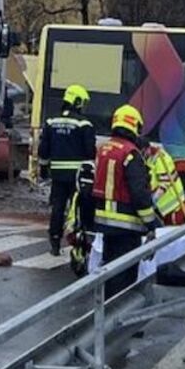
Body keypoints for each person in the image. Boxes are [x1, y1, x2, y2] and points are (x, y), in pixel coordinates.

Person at [91, 104, 159, 298]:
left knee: (110, 270)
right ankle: (119, 322)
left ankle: (106, 316)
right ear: (134, 126)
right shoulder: (131, 153)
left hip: (104, 223)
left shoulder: (104, 148)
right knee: (125, 276)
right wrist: (151, 224)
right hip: (127, 225)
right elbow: (139, 194)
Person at [36, 84, 97, 256]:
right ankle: (79, 242)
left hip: (57, 175)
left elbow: (43, 150)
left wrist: (43, 168)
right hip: (78, 176)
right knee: (79, 208)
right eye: (83, 102)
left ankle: (54, 242)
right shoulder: (84, 124)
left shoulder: (50, 122)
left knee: (58, 208)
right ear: (76, 101)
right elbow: (90, 152)